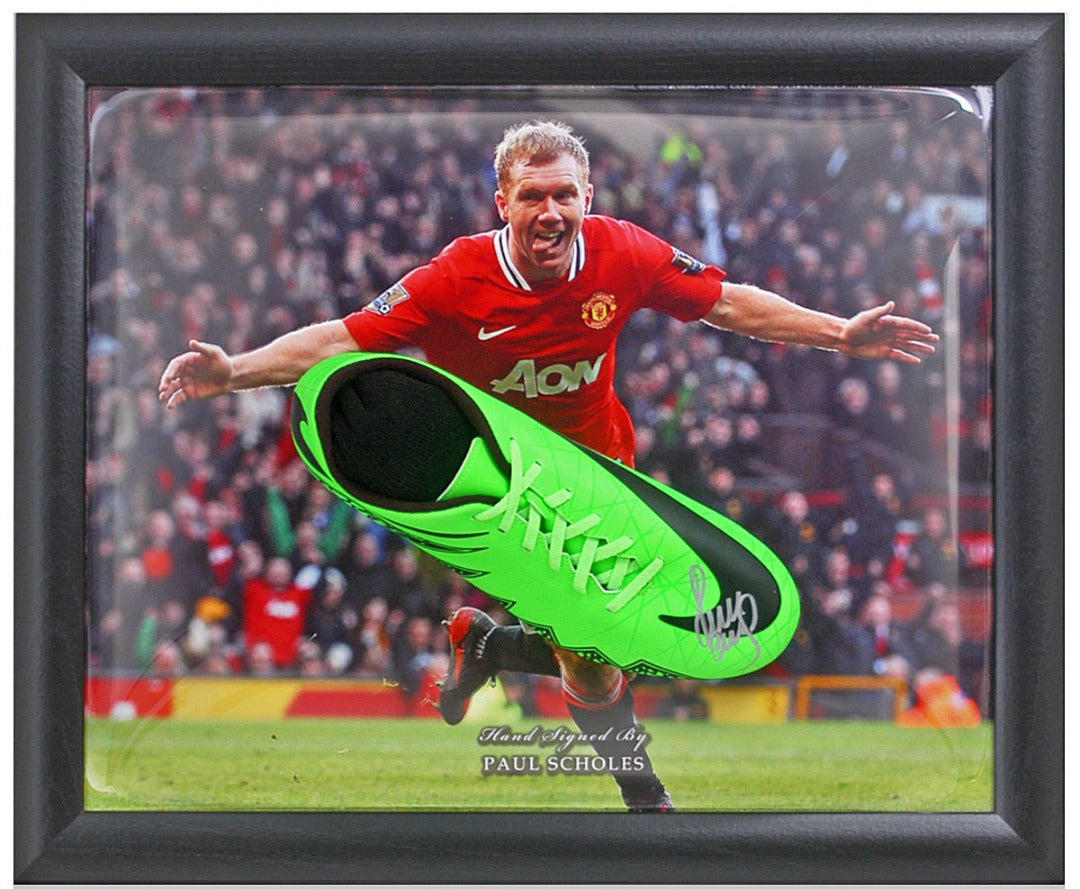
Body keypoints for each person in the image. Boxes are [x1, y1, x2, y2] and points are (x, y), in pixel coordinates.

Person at [159, 120, 937, 812]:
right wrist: (237, 372)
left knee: (633, 641)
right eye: (532, 196)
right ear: (502, 202)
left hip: (603, 473)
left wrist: (839, 333)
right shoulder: (456, 277)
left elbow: (729, 302)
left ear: (587, 197)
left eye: (565, 194)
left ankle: (491, 647)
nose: (551, 211)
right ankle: (644, 797)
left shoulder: (624, 251)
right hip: (504, 494)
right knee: (594, 661)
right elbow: (343, 339)